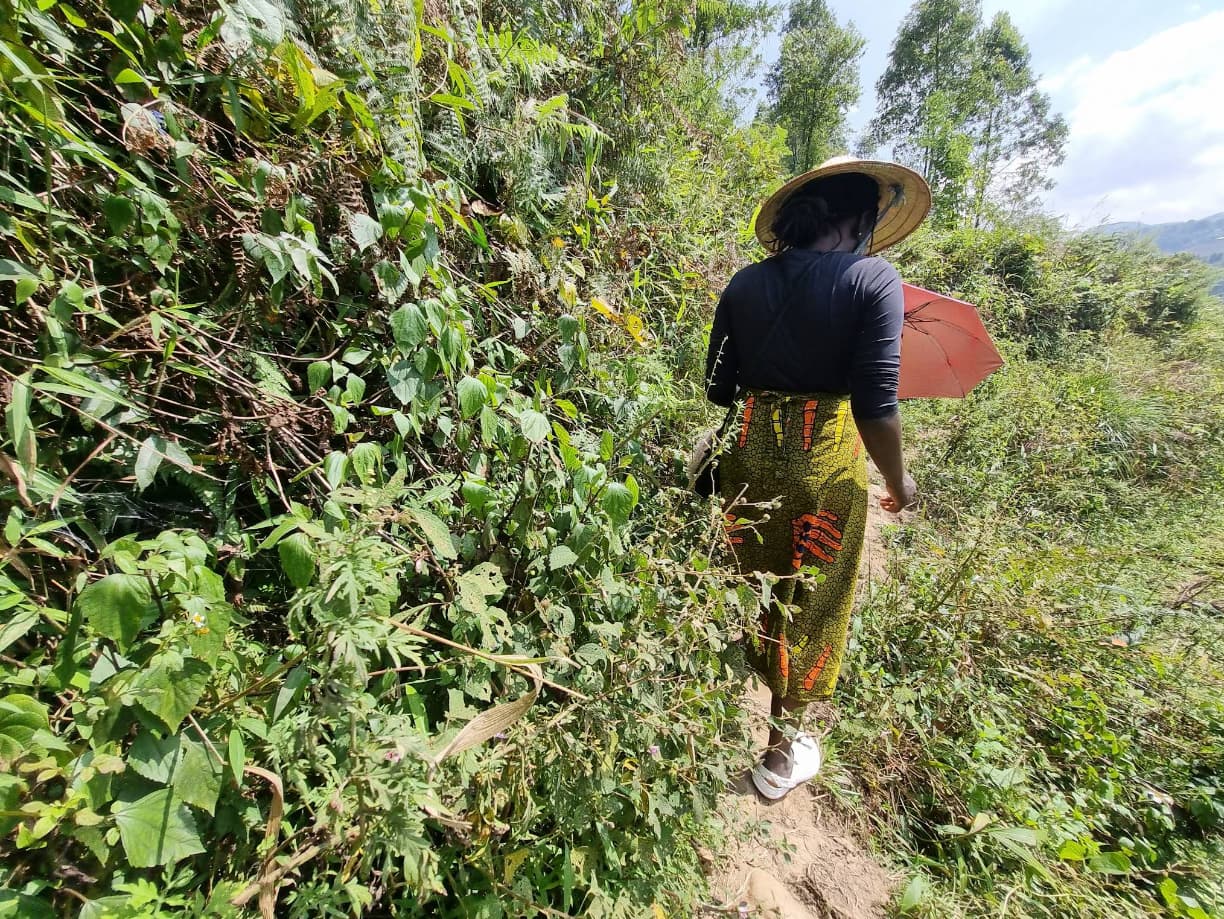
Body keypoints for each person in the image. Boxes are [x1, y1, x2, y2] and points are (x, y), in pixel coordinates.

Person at [705, 156, 931, 800]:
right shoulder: (874, 280)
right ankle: (780, 755)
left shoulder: (744, 284)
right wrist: (902, 481)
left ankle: (732, 689)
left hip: (748, 456)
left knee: (755, 581)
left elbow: (719, 389)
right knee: (815, 603)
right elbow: (875, 407)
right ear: (863, 219)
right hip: (824, 467)